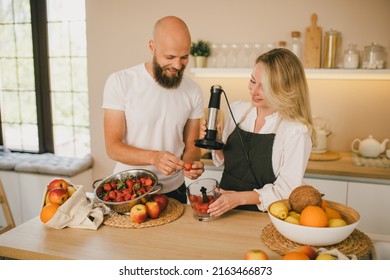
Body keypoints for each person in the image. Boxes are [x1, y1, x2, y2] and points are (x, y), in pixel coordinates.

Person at [201, 48, 315, 216]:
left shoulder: (295, 131)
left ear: (285, 88)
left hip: (265, 217)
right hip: (223, 210)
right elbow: (227, 161)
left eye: (265, 87)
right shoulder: (238, 111)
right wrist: (216, 142)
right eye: (253, 81)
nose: (253, 91)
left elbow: (288, 190)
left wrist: (239, 198)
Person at [102, 16, 205, 203]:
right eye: (170, 57)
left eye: (184, 57)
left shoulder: (193, 90)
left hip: (175, 191)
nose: (177, 65)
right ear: (152, 47)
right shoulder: (120, 82)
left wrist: (190, 164)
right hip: (128, 189)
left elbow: (192, 147)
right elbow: (113, 148)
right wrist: (154, 158)